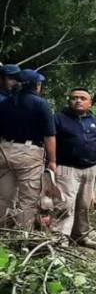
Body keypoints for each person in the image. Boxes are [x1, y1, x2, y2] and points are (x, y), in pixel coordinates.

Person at [52, 87, 96, 245]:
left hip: (89, 170)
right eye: (74, 98)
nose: (78, 100)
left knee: (85, 205)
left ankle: (80, 236)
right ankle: (60, 237)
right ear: (69, 101)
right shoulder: (58, 119)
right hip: (66, 168)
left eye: (82, 98)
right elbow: (49, 141)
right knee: (65, 204)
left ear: (90, 103)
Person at [0, 69, 57, 229]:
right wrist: (52, 161)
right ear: (36, 85)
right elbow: (49, 135)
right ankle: (21, 234)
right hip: (28, 153)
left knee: (3, 196)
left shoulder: (5, 103)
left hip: (4, 150)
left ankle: (2, 234)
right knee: (28, 198)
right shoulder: (41, 104)